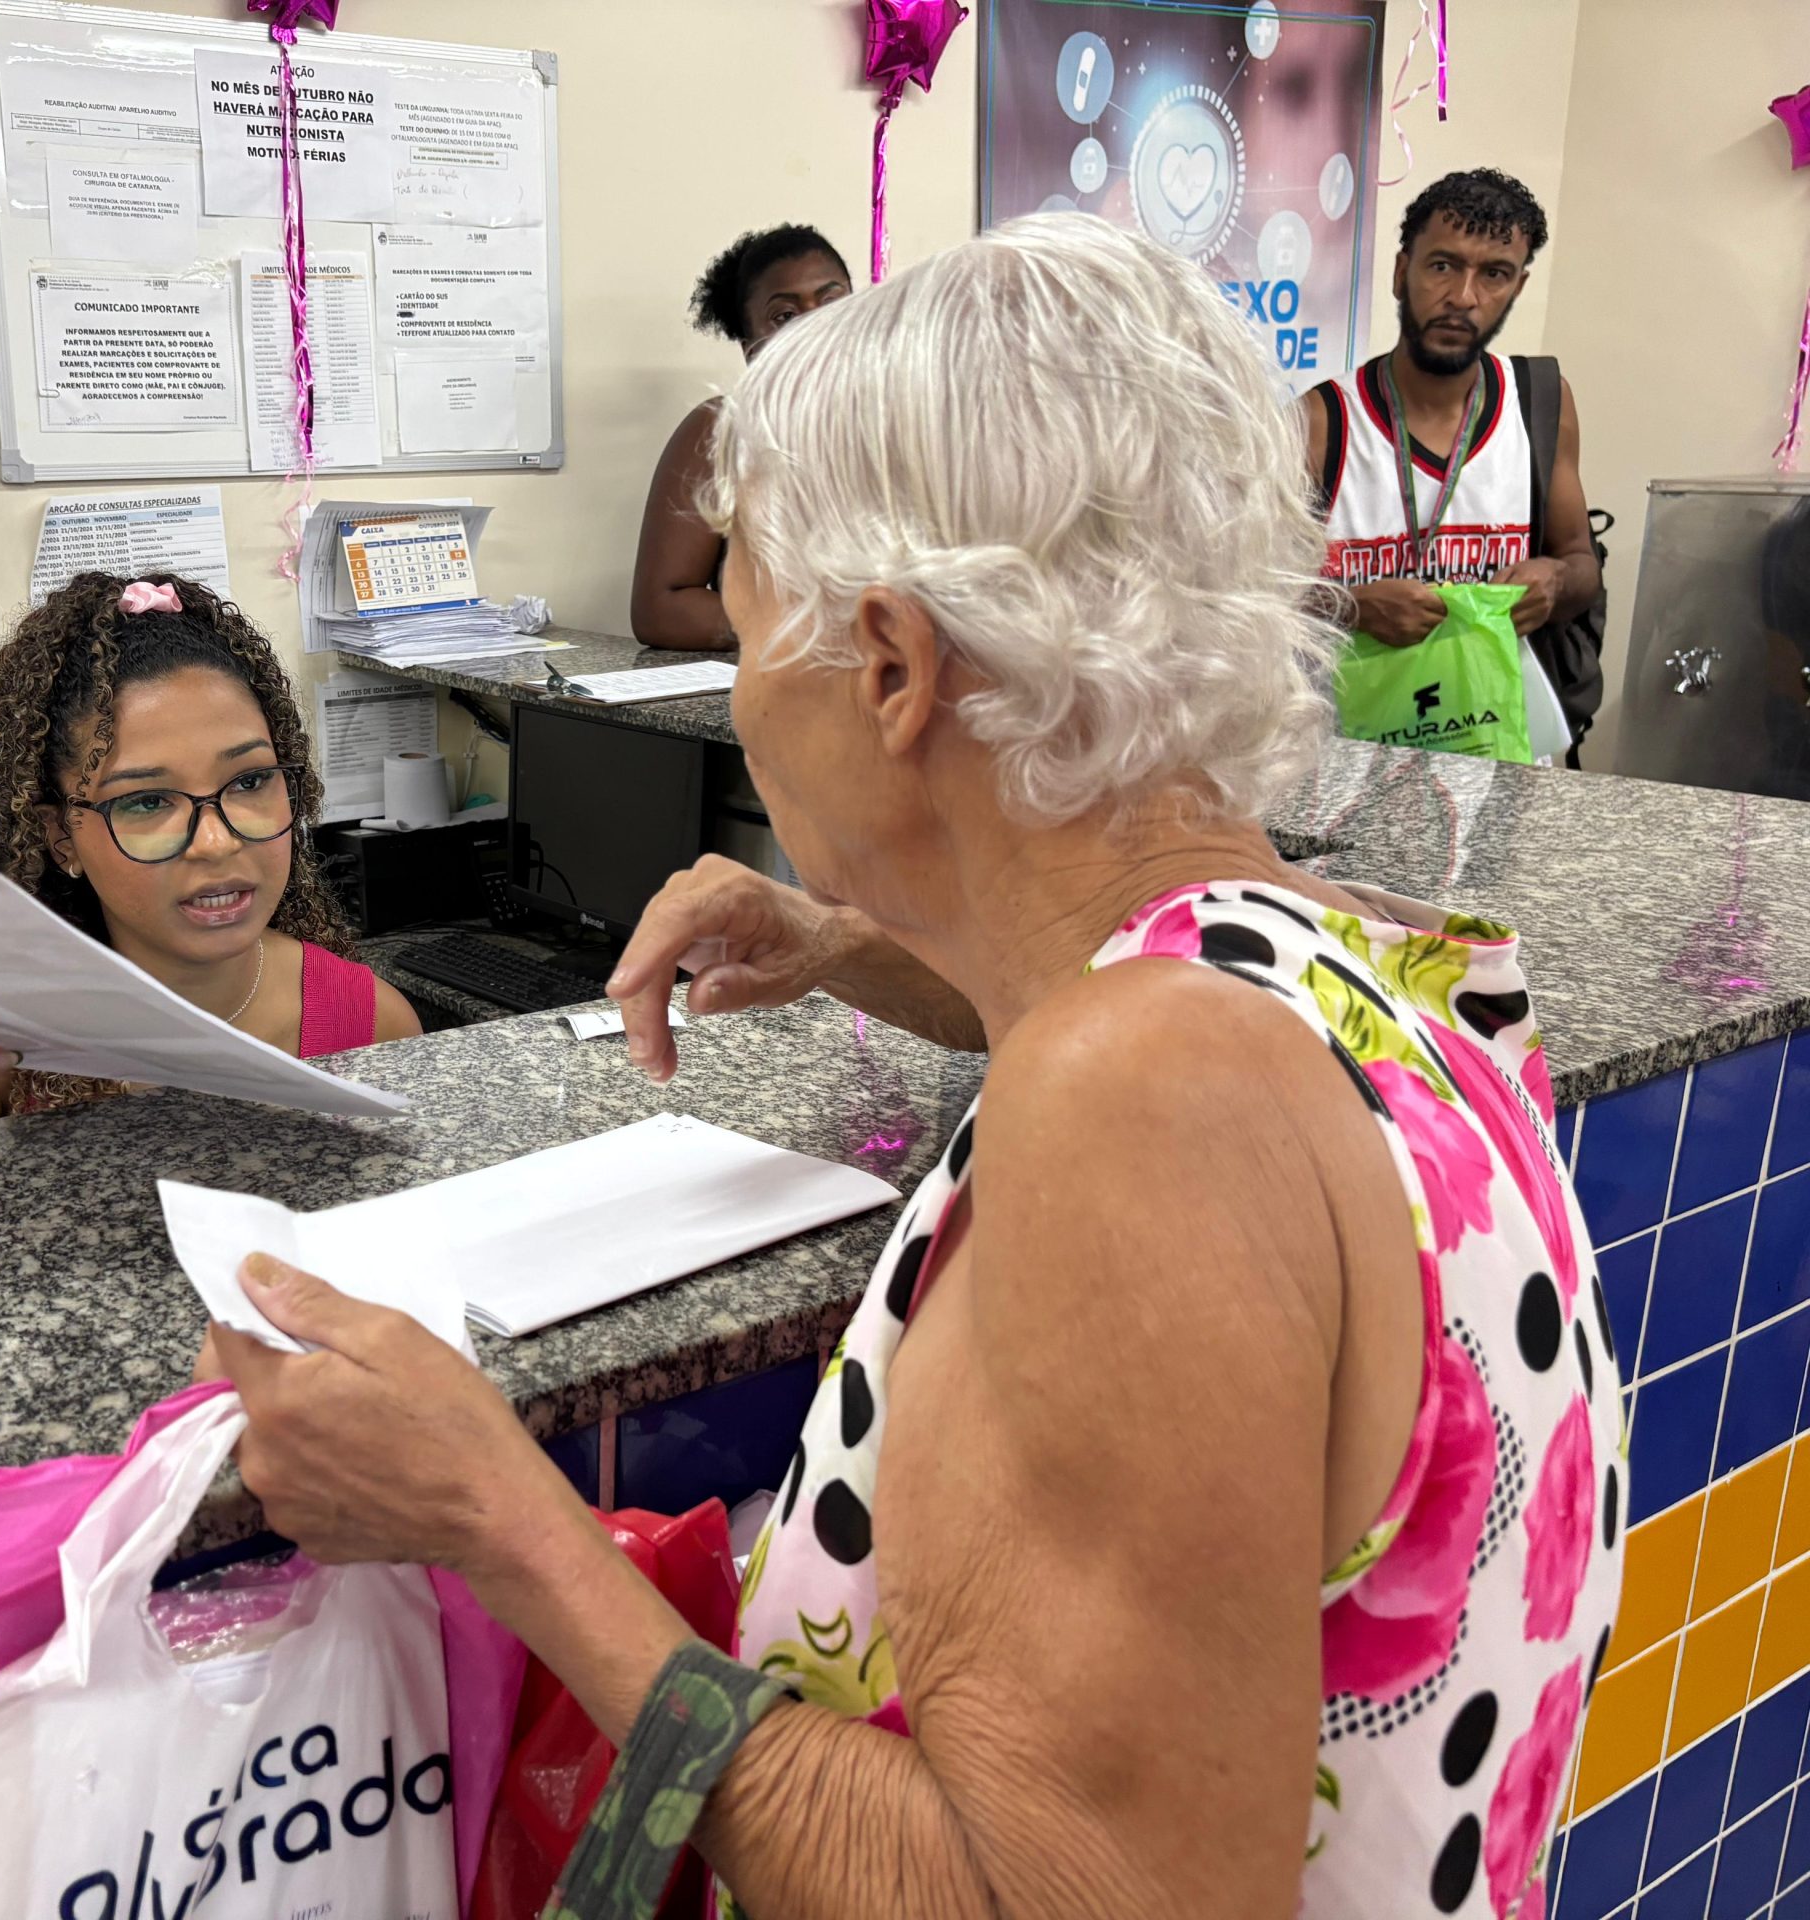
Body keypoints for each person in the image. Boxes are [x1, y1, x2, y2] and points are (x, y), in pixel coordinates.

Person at [204, 219, 1621, 1918]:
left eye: (749, 635)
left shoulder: (1138, 1107)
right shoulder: (1365, 967)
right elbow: (1114, 989)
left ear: (889, 666)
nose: (746, 696)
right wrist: (857, 941)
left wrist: (497, 1524)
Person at [0, 574, 420, 1145]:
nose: (216, 841)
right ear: (62, 837)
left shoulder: (372, 1020)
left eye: (250, 782)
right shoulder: (2, 1035)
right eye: (146, 801)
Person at [1304, 169, 1604, 744]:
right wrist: (1350, 606)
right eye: (1442, 266)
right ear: (1402, 272)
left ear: (1517, 287)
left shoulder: (1539, 403)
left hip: (1497, 742)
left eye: (1494, 274)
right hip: (1350, 754)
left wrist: (1555, 580)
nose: (1464, 297)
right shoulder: (1321, 423)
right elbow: (1241, 597)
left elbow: (1580, 563)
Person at [630, 225, 855, 650]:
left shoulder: (911, 421)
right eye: (785, 316)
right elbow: (659, 610)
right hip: (787, 678)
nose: (817, 324)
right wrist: (818, 629)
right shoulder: (723, 431)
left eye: (832, 301)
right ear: (754, 350)